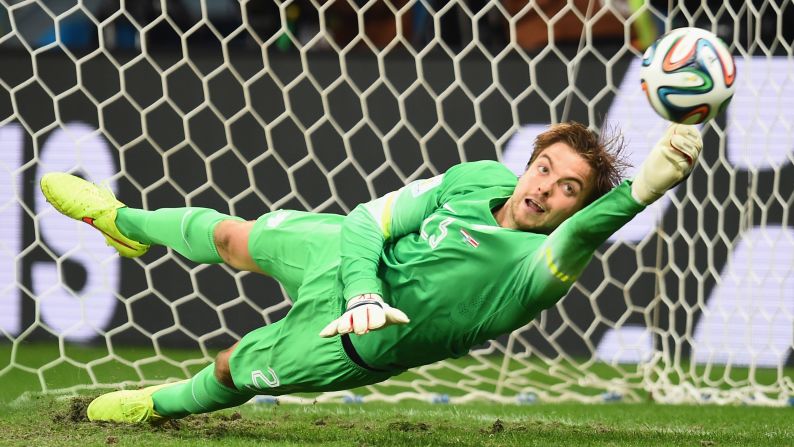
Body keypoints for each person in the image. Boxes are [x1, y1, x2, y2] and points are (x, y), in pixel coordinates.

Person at [39, 122, 702, 423]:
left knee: (228, 367)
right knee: (231, 235)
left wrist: (644, 186)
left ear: (575, 208)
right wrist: (362, 287)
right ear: (526, 164)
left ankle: (155, 406)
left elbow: (588, 231)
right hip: (345, 262)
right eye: (544, 169)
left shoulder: (542, 267)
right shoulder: (478, 180)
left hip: (351, 341)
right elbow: (368, 220)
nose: (546, 189)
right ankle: (126, 223)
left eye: (569, 189)